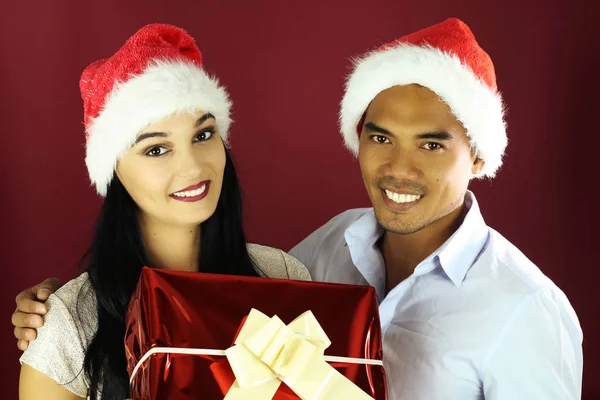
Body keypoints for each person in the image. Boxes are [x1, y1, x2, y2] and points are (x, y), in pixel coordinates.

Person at [13, 18, 584, 399]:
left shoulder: (526, 309)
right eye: (156, 148)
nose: (191, 167)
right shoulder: (325, 252)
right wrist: (59, 311)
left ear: (479, 154)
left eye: (432, 144)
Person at [16, 23, 310, 400]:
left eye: (203, 135)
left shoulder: (281, 276)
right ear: (114, 171)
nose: (192, 168)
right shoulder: (71, 324)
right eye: (156, 149)